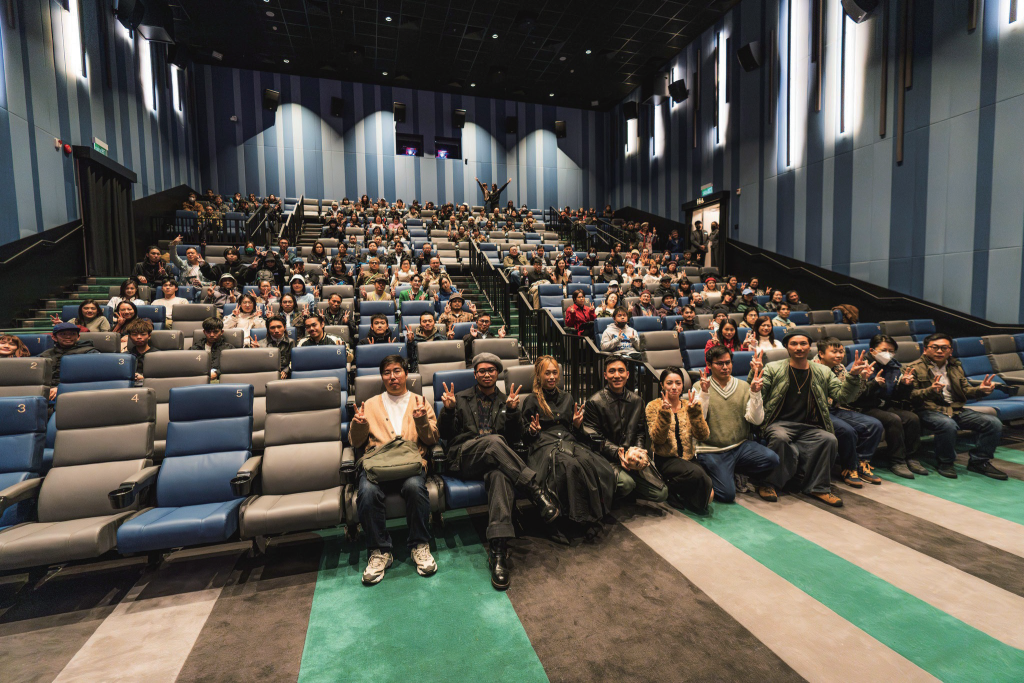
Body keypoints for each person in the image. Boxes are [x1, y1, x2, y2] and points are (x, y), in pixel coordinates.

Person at [439, 353, 560, 590]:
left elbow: (515, 439)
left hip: (495, 462)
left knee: (500, 476)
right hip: (465, 458)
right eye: (482, 370)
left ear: (497, 374)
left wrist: (514, 413)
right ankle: (535, 492)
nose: (486, 374)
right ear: (475, 374)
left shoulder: (507, 401)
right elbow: (445, 435)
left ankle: (498, 551)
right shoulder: (460, 398)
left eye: (491, 370)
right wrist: (449, 411)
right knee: (494, 443)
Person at [753, 332, 873, 507]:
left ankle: (819, 488)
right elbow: (757, 396)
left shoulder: (822, 371)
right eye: (794, 344)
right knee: (780, 438)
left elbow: (843, 396)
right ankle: (769, 483)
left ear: (810, 347)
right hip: (778, 423)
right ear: (787, 347)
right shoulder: (773, 368)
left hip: (809, 425)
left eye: (803, 344)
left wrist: (853, 377)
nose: (799, 347)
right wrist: (753, 373)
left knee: (829, 439)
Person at [350, 355, 439, 585]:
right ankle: (379, 551)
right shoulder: (369, 404)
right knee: (367, 492)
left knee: (414, 487)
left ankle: (420, 544)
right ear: (382, 377)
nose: (393, 377)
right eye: (387, 372)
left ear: (406, 373)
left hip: (411, 463)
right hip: (377, 464)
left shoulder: (420, 401)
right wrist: (358, 425)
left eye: (397, 371)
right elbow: (357, 443)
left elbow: (431, 439)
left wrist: (421, 420)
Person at [521, 357, 618, 527]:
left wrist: (577, 425)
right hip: (544, 444)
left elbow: (576, 433)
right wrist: (532, 430)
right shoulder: (531, 400)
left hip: (569, 441)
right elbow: (524, 435)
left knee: (593, 464)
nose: (551, 377)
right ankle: (578, 519)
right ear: (539, 376)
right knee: (571, 465)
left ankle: (596, 513)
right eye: (547, 373)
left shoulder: (567, 397)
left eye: (554, 373)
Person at [905, 333, 1006, 480]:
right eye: (935, 347)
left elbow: (964, 390)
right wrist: (930, 391)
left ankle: (979, 461)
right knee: (947, 425)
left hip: (955, 409)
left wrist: (980, 390)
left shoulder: (955, 366)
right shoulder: (913, 368)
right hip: (928, 409)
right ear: (925, 350)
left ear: (950, 351)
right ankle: (945, 462)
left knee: (993, 423)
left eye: (944, 348)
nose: (940, 351)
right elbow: (910, 396)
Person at [695, 346, 780, 502]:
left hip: (740, 446)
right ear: (709, 364)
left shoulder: (743, 386)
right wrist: (704, 394)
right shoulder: (699, 386)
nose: (725, 367)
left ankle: (733, 471)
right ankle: (706, 473)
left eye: (728, 362)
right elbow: (699, 420)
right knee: (727, 495)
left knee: (772, 459)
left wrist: (755, 393)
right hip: (712, 449)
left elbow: (756, 420)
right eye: (719, 363)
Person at [583, 358, 669, 503]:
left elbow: (640, 432)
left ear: (628, 374)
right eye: (612, 371)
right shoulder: (594, 402)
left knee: (661, 493)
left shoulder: (637, 401)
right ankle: (614, 493)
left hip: (632, 458)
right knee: (627, 484)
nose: (617, 375)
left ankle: (627, 488)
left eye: (621, 371)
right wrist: (619, 453)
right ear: (605, 375)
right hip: (607, 459)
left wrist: (639, 453)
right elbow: (596, 439)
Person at [849, 335, 925, 479]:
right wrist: (874, 384)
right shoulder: (861, 365)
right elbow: (853, 395)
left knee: (912, 418)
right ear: (872, 350)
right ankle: (897, 461)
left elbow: (897, 396)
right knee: (893, 419)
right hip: (862, 406)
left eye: (892, 351)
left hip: (884, 405)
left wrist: (904, 385)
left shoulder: (894, 367)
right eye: (884, 350)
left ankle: (912, 458)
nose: (888, 354)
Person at [814, 338, 884, 488]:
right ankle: (849, 468)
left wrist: (862, 379)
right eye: (834, 352)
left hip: (835, 408)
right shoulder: (811, 367)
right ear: (821, 353)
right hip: (817, 411)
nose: (839, 355)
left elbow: (850, 398)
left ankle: (862, 464)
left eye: (841, 352)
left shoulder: (840, 368)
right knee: (846, 430)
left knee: (874, 424)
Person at [645, 367, 714, 511]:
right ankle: (669, 487)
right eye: (669, 383)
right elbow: (657, 439)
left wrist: (695, 413)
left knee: (710, 494)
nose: (674, 387)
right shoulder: (653, 406)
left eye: (678, 383)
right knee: (698, 475)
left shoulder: (689, 404)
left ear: (683, 385)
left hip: (688, 457)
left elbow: (703, 436)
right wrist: (664, 413)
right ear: (662, 385)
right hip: (666, 459)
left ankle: (676, 488)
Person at [40, 322, 100, 398]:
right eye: (63, 334)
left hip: (75, 392)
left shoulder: (89, 353)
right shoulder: (45, 355)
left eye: (72, 334)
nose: (68, 336)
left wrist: (61, 389)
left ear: (78, 337)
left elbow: (90, 379)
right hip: (46, 392)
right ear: (54, 337)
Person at [125, 317, 159, 383]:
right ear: (129, 337)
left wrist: (144, 378)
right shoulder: (125, 357)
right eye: (134, 335)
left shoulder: (158, 355)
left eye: (143, 334)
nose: (139, 337)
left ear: (149, 336)